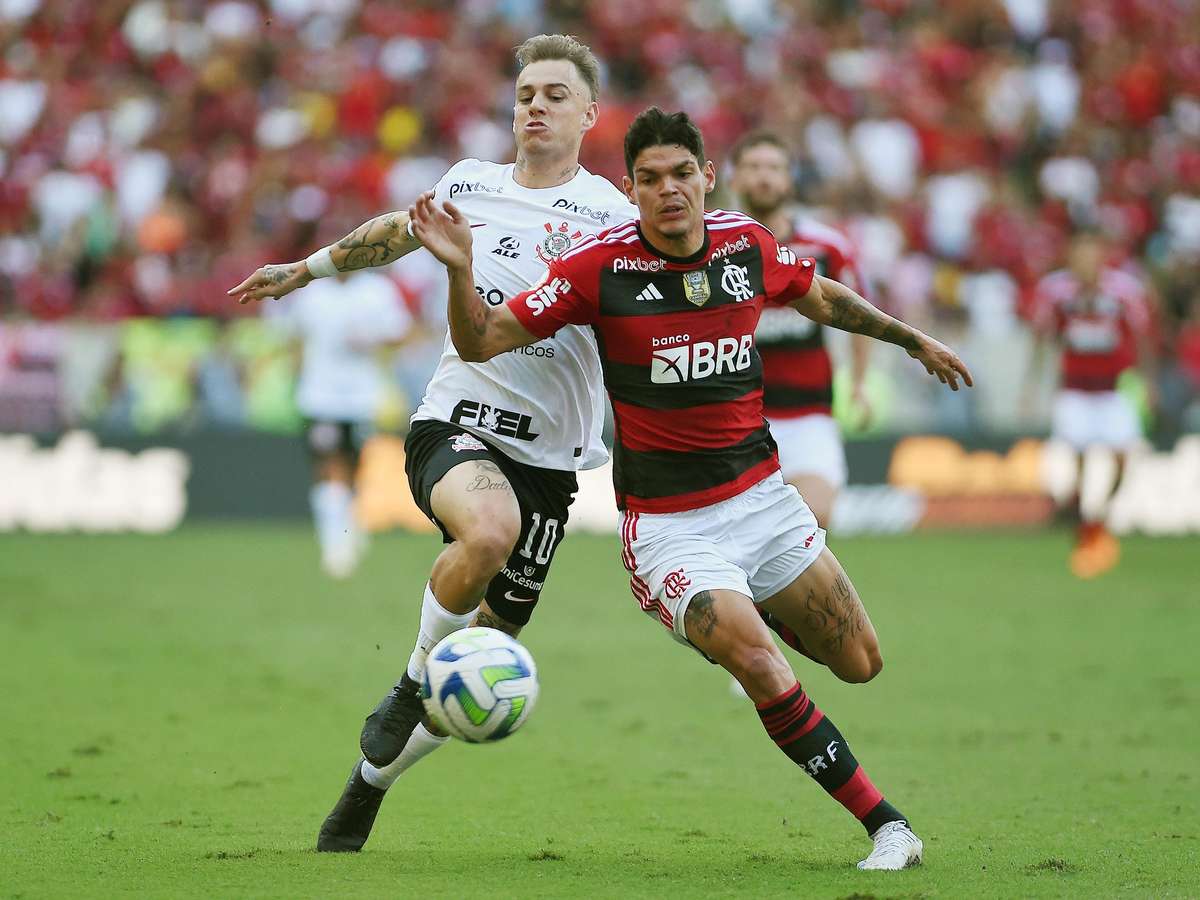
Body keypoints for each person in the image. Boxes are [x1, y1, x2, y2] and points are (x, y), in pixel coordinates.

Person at [409, 106, 972, 871]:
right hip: (671, 529)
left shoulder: (746, 247)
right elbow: (480, 338)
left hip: (766, 501)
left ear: (707, 177)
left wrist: (912, 339)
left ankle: (753, 603)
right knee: (762, 664)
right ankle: (889, 828)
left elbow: (823, 297)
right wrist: (458, 268)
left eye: (681, 174)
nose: (668, 190)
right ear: (630, 189)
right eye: (649, 179)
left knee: (861, 663)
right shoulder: (599, 269)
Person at [228, 34, 635, 851]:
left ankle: (364, 794)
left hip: (552, 461)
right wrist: (305, 270)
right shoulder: (471, 184)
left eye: (556, 94)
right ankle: (412, 676)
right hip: (458, 423)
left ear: (590, 113)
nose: (536, 106)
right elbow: (395, 230)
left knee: (481, 663)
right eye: (525, 93)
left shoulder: (618, 220)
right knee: (488, 533)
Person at [728, 131, 872, 528]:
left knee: (814, 517)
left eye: (773, 168)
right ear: (733, 179)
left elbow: (860, 315)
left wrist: (859, 383)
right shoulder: (709, 245)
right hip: (735, 417)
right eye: (753, 167)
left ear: (789, 179)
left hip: (808, 416)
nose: (764, 177)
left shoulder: (826, 247)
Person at [1027, 232, 1156, 578]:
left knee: (1122, 458)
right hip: (1074, 389)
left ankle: (1099, 513)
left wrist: (1148, 383)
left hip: (1113, 390)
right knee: (1078, 454)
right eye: (1078, 256)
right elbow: (1042, 338)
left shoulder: (1124, 292)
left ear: (1101, 257)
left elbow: (1142, 338)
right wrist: (1032, 385)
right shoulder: (1056, 292)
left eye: (1090, 255)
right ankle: (1085, 519)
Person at [272, 270, 412, 578]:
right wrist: (295, 377)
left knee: (355, 468)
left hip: (364, 396)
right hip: (320, 396)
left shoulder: (377, 289)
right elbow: (292, 334)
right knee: (328, 465)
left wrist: (372, 339)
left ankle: (349, 529)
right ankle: (334, 543)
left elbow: (401, 331)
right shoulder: (312, 292)